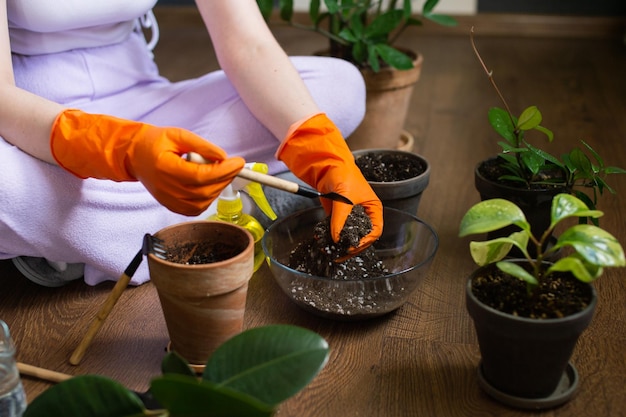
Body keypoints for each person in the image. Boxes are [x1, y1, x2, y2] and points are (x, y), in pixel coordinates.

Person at [0, 1, 383, 287]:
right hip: (32, 122)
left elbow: (248, 44)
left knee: (340, 86)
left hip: (144, 97)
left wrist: (320, 150)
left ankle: (104, 238)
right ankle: (236, 206)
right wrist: (120, 149)